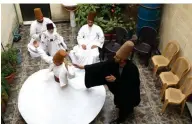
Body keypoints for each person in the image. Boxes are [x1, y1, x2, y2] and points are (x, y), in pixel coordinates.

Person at [74, 41, 140, 124]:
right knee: (119, 102)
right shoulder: (115, 60)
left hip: (128, 94)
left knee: (125, 106)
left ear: (124, 61)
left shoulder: (132, 69)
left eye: (119, 61)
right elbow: (102, 65)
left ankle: (121, 119)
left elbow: (130, 86)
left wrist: (115, 80)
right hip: (119, 90)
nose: (116, 62)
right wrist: (84, 67)